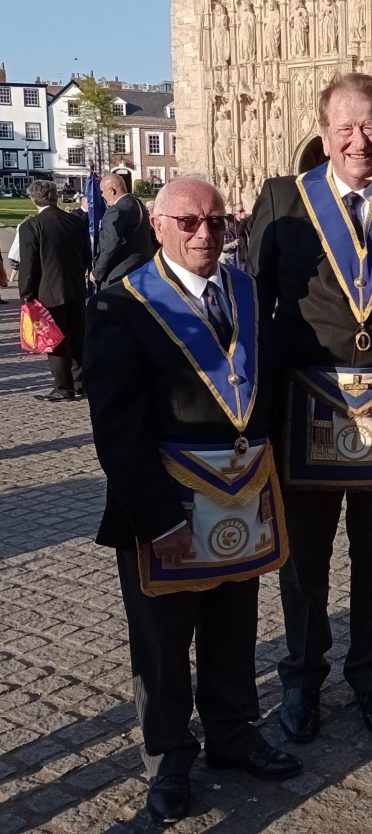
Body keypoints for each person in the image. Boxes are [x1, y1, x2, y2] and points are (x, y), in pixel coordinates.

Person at [83, 177, 301, 825]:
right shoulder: (120, 304)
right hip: (168, 505)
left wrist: (270, 483)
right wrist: (156, 519)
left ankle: (233, 734)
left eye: (216, 221)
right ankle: (169, 758)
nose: (205, 233)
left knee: (233, 628)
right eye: (188, 222)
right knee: (162, 644)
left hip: (241, 496)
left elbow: (262, 388)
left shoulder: (246, 290)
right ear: (157, 226)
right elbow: (117, 429)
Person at [248, 72, 372, 742]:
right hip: (306, 410)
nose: (359, 141)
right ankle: (302, 680)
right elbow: (255, 311)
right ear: (324, 134)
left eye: (370, 126)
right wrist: (255, 420)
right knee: (304, 561)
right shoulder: (283, 200)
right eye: (345, 127)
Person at [17, 180, 92, 401]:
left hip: (48, 292)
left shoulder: (32, 226)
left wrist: (26, 293)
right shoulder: (75, 221)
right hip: (75, 287)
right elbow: (86, 255)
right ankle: (80, 383)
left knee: (55, 340)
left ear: (34, 199)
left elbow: (28, 264)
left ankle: (63, 387)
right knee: (77, 337)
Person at [92, 173, 156, 289]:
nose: (102, 195)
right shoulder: (138, 204)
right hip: (143, 269)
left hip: (121, 274)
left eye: (102, 191)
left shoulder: (116, 211)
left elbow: (110, 246)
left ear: (112, 191)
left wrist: (97, 272)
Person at [220, 202, 250, 270]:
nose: (243, 213)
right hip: (239, 255)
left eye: (243, 210)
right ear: (235, 212)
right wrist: (243, 220)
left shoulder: (245, 221)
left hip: (247, 253)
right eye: (240, 211)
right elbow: (238, 232)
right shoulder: (233, 223)